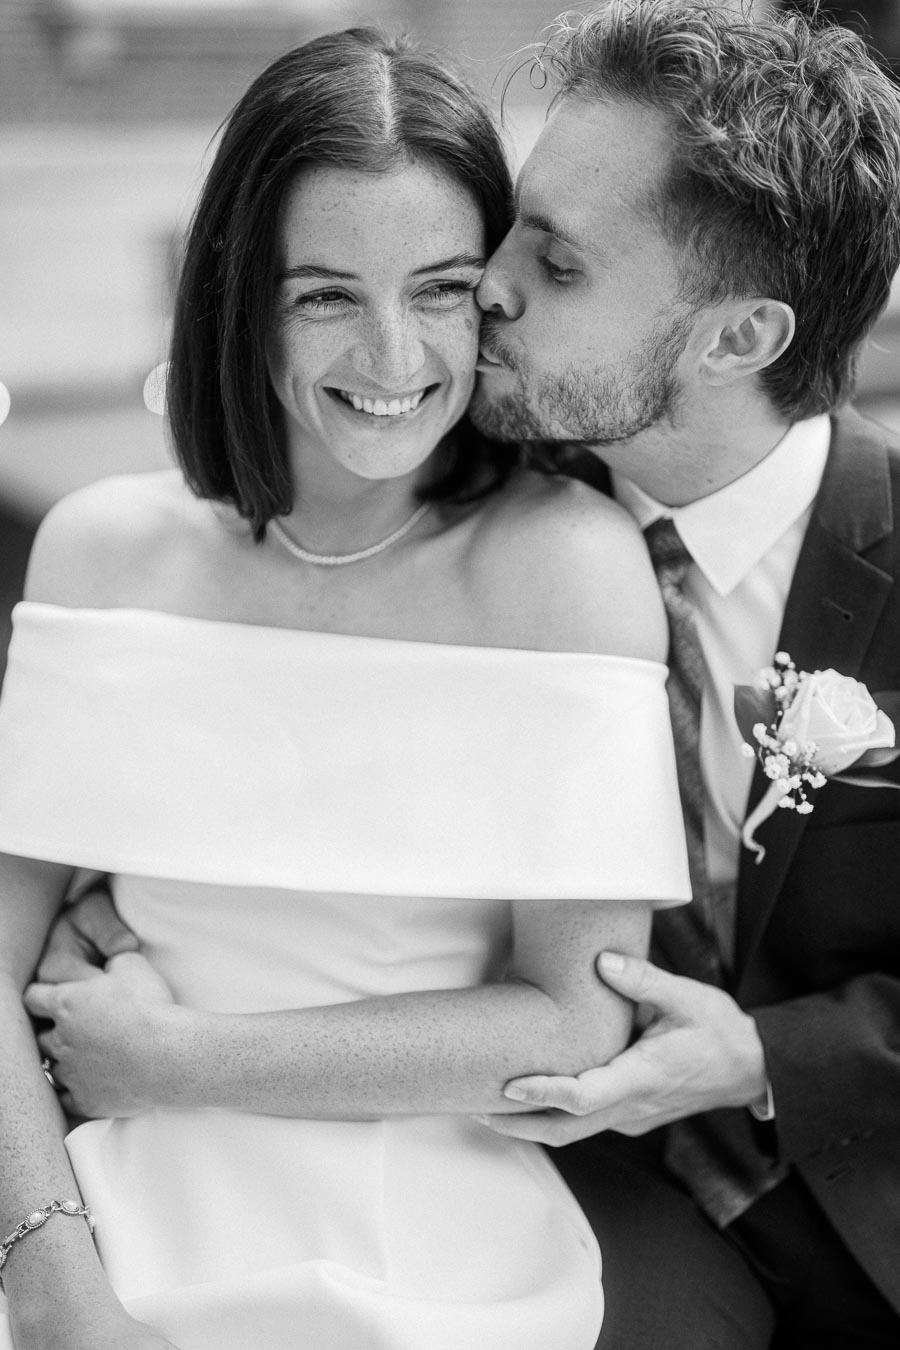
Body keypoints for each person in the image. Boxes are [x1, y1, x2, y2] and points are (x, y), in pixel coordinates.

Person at [0, 26, 691, 1350]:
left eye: (438, 287)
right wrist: (54, 1276)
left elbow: (575, 1018)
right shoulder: (102, 547)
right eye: (326, 293)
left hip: (439, 1238)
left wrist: (183, 1060)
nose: (392, 356)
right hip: (109, 1215)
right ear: (240, 296)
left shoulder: (566, 568)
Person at [461, 3, 900, 1347]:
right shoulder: (466, 514)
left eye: (562, 263)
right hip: (572, 1215)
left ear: (738, 337)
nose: (489, 285)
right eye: (511, 226)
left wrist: (768, 1056)